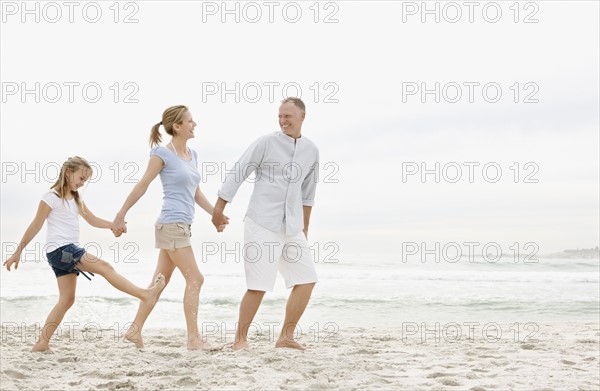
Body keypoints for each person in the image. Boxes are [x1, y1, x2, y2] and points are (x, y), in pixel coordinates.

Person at [2, 156, 165, 352]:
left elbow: (93, 219)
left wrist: (113, 225)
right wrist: (17, 251)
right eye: (81, 177)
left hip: (62, 254)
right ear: (68, 172)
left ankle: (41, 344)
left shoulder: (77, 199)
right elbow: (35, 225)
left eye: (85, 180)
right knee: (105, 267)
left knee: (67, 299)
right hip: (61, 250)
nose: (82, 183)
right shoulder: (50, 197)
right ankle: (144, 294)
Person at [112, 105, 225, 350]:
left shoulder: (192, 155)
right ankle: (194, 339)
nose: (195, 124)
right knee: (196, 278)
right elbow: (143, 185)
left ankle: (135, 329)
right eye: (190, 121)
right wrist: (121, 214)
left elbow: (195, 192)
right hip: (171, 224)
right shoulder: (162, 154)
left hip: (181, 224)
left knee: (159, 282)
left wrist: (216, 214)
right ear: (177, 126)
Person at [212, 97, 319, 350]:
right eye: (280, 116)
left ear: (302, 117)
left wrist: (305, 228)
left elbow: (308, 193)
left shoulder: (311, 150)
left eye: (288, 116)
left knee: (307, 279)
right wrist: (219, 207)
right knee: (258, 285)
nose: (283, 121)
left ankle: (285, 337)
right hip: (261, 222)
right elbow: (239, 171)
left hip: (292, 226)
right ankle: (240, 339)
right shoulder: (266, 143)